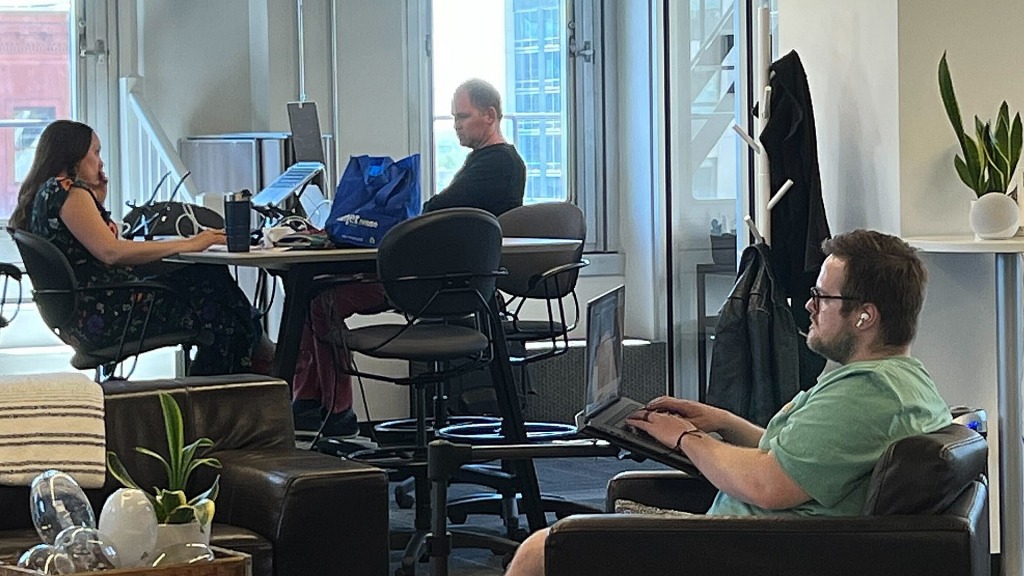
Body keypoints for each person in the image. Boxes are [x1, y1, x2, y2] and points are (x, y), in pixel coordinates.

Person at [505, 229, 952, 576]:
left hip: (748, 550)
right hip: (751, 539)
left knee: (540, 550)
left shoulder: (867, 395)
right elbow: (805, 457)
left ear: (865, 315)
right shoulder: (901, 381)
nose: (811, 307)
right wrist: (720, 421)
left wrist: (687, 438)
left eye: (822, 296)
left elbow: (769, 484)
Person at [292, 78, 527, 436]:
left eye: (463, 117)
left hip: (434, 283)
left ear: (490, 115)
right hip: (437, 277)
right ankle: (311, 401)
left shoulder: (499, 163)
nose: (456, 126)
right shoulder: (484, 162)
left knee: (321, 298)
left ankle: (333, 409)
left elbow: (436, 209)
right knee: (317, 294)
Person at [9, 120, 273, 375]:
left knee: (212, 289)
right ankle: (246, 372)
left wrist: (97, 198)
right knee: (215, 295)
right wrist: (192, 242)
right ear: (74, 156)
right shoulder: (70, 192)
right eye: (95, 152)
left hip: (85, 314)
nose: (100, 161)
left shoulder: (46, 194)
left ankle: (244, 360)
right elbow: (111, 252)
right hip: (105, 317)